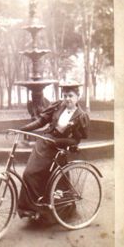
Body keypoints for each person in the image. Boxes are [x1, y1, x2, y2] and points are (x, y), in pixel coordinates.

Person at [18, 81, 90, 220]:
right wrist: (23, 129)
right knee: (29, 173)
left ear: (77, 97)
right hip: (46, 143)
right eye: (65, 95)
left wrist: (61, 141)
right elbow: (41, 121)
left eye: (70, 95)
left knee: (52, 179)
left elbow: (78, 139)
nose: (67, 99)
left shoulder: (81, 116)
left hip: (59, 146)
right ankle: (31, 208)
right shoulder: (58, 106)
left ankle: (52, 212)